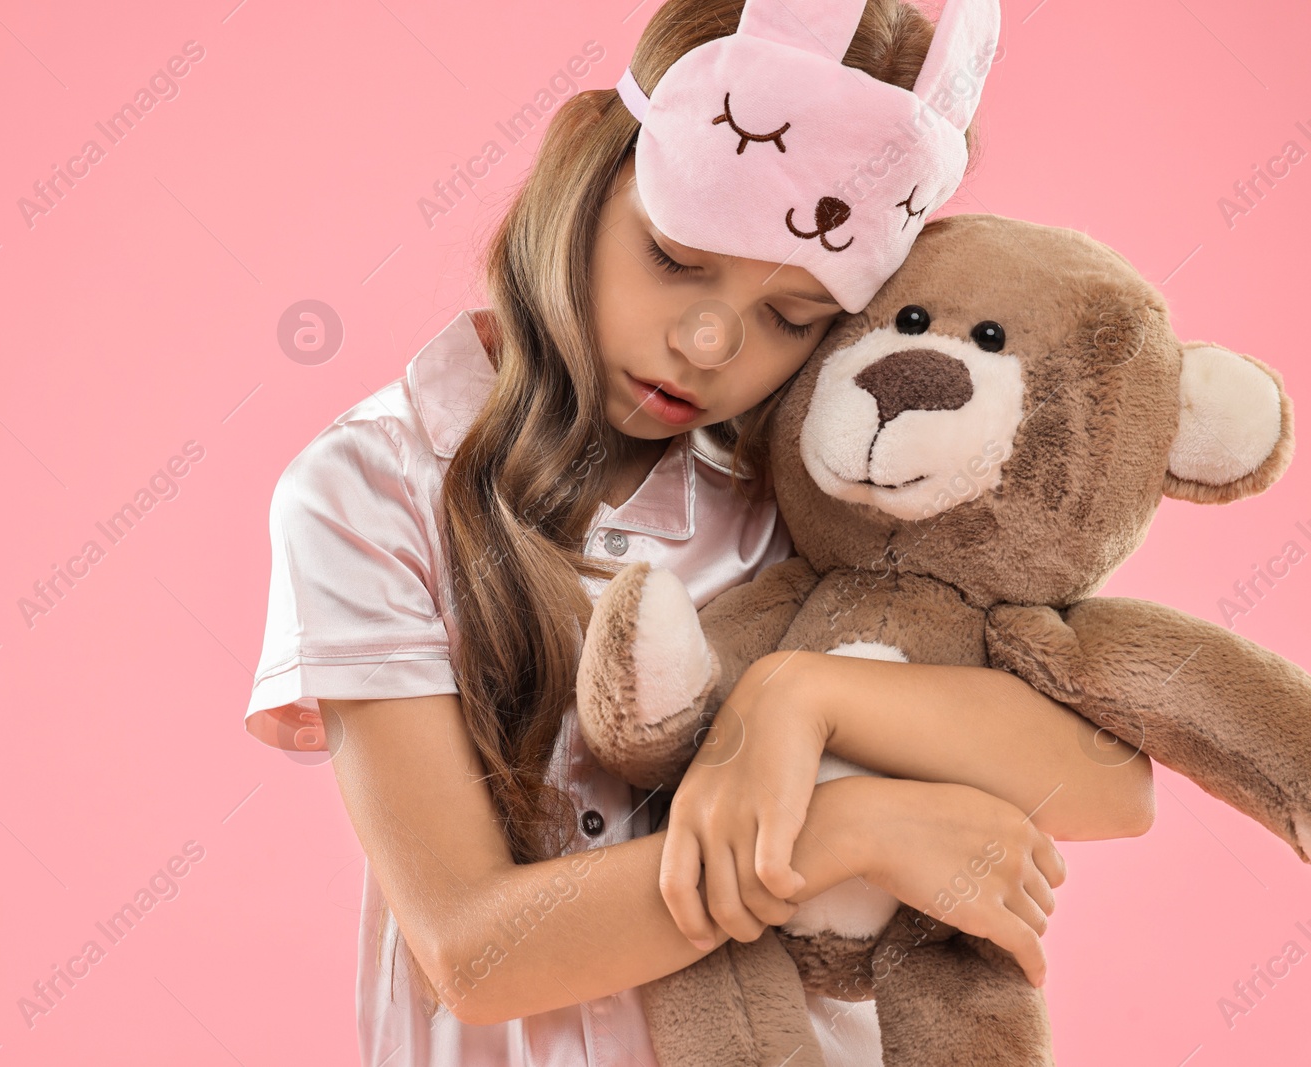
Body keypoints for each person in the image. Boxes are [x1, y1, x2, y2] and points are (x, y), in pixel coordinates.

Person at [245, 0, 1157, 1063]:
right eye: (676, 257)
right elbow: (475, 951)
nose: (708, 340)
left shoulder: (824, 481)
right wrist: (839, 835)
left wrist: (796, 698)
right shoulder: (371, 487)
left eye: (792, 318)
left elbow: (1107, 779)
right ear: (586, 176)